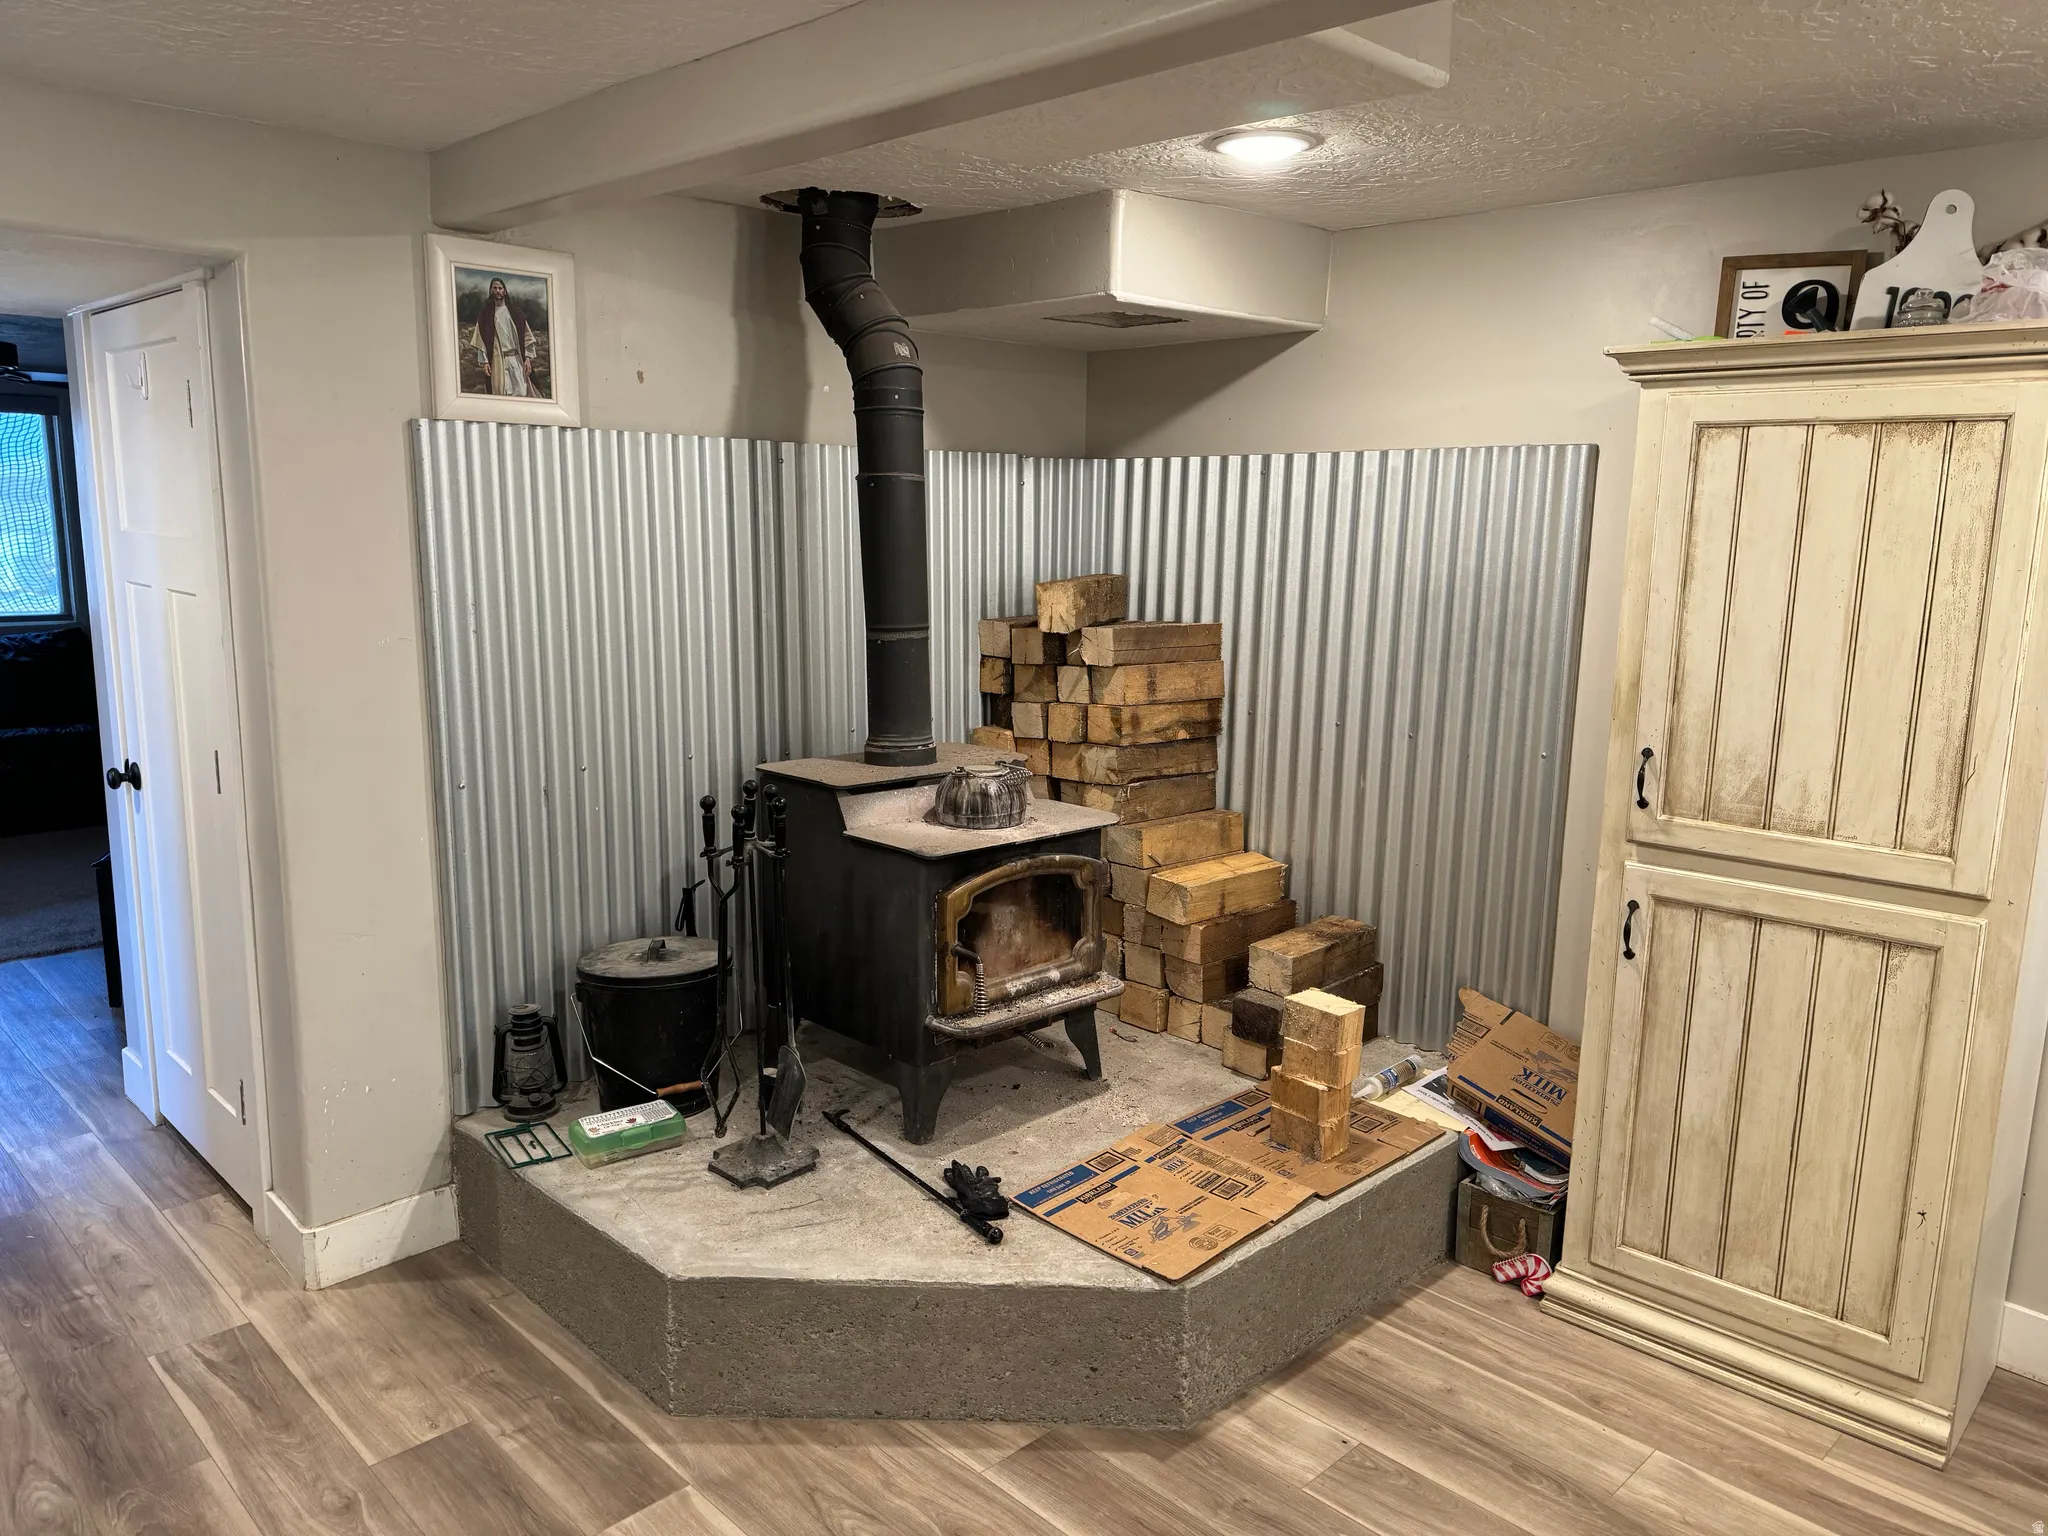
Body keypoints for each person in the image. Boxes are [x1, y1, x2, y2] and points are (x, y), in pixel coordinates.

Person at [470, 277, 541, 397]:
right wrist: (485, 362)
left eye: (500, 288)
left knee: (521, 391)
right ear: (491, 291)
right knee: (501, 393)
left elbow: (527, 336)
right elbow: (480, 339)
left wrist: (527, 358)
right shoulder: (486, 314)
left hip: (516, 359)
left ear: (505, 291)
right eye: (495, 288)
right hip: (498, 361)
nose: (497, 290)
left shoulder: (516, 312)